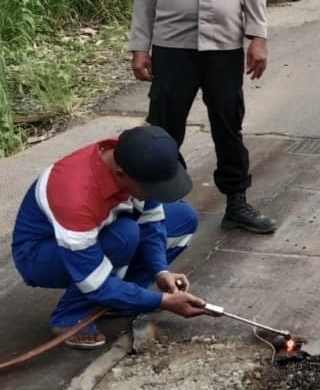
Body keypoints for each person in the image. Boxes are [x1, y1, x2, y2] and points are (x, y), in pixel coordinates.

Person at [129, 0, 277, 234]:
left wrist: (258, 37)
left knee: (227, 124)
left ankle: (237, 203)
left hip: (223, 46)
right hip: (172, 48)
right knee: (163, 129)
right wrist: (139, 47)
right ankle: (155, 207)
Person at [12, 125, 209, 349]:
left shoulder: (138, 156)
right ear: (120, 174)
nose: (155, 194)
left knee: (184, 219)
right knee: (124, 236)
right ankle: (69, 318)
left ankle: (118, 301)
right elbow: (93, 281)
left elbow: (152, 222)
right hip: (40, 255)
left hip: (101, 230)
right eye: (152, 188)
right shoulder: (75, 196)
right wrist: (162, 301)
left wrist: (161, 271)